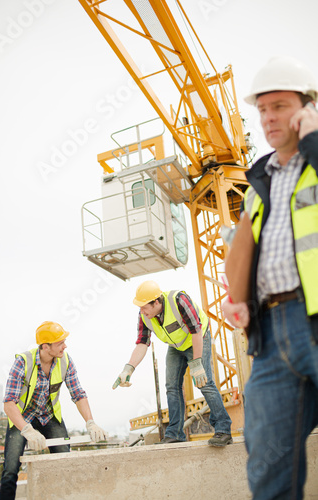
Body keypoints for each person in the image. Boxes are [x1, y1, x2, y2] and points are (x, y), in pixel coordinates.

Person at [222, 56, 318, 499]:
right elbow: (243, 244)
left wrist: (315, 138)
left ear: (306, 107)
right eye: (262, 109)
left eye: (280, 106)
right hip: (271, 336)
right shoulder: (260, 180)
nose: (268, 118)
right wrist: (237, 296)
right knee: (267, 466)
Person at [113, 280, 232, 446]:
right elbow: (142, 343)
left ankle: (223, 430)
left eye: (144, 306)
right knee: (172, 386)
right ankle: (175, 433)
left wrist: (196, 364)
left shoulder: (179, 300)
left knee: (204, 382)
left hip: (198, 337)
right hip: (176, 346)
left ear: (156, 302)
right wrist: (128, 369)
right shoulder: (144, 316)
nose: (141, 311)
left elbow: (196, 331)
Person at [0, 321, 107, 500]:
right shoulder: (22, 362)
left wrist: (90, 422)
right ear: (45, 347)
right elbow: (9, 403)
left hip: (49, 417)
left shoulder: (65, 361)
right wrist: (27, 430)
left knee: (65, 463)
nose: (65, 346)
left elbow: (78, 394)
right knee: (10, 470)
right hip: (22, 419)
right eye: (60, 343)